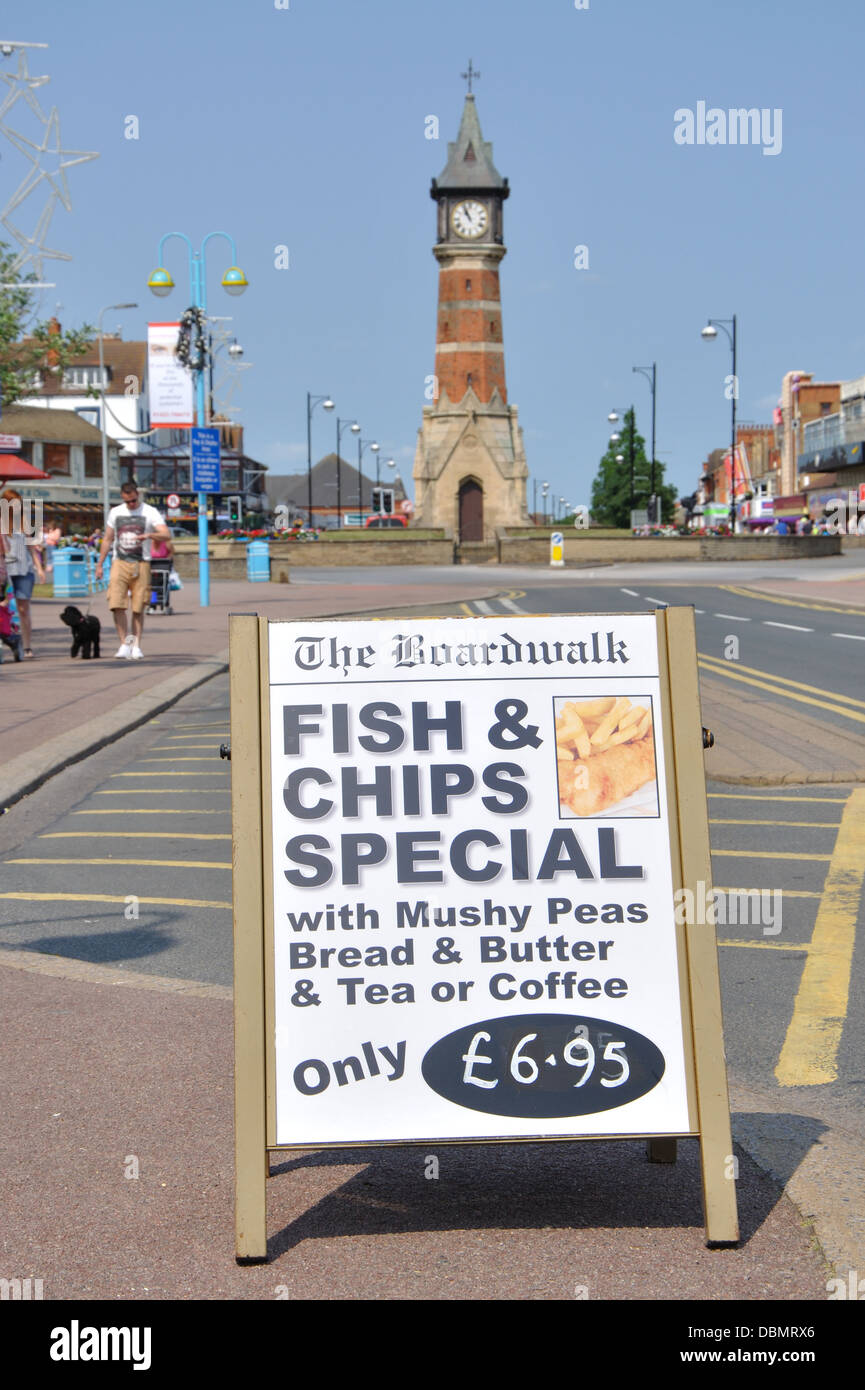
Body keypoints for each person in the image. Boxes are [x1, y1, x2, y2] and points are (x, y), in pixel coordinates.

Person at [95, 479, 170, 660]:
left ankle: (136, 645)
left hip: (141, 563)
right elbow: (107, 539)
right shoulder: (115, 512)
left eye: (133, 501)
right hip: (119, 562)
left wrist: (149, 535)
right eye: (127, 501)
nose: (130, 504)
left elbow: (166, 534)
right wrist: (99, 564)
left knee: (138, 607)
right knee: (116, 604)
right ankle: (124, 644)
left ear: (138, 495)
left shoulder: (150, 512)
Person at [0, 487, 45, 658]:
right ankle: (7, 640)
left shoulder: (24, 521)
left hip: (24, 568)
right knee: (3, 607)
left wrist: (39, 568)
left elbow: (32, 548)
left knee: (23, 608)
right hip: (6, 570)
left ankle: (27, 645)